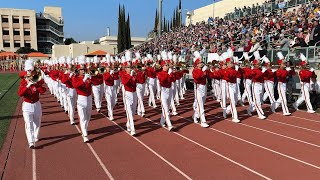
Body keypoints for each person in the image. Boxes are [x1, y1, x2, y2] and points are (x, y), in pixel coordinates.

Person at [18, 59, 46, 148]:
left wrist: (36, 84)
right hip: (27, 106)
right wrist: (28, 85)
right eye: (28, 71)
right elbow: (20, 93)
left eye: (31, 70)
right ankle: (31, 142)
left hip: (37, 104)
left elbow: (43, 90)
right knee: (28, 124)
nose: (30, 73)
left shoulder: (36, 80)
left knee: (37, 123)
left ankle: (35, 137)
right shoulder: (23, 82)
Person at [72, 56, 93, 143]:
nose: (83, 71)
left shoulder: (88, 77)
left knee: (88, 116)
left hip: (89, 98)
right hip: (81, 99)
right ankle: (85, 134)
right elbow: (76, 86)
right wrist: (84, 80)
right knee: (83, 117)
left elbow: (95, 84)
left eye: (84, 69)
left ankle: (85, 129)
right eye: (81, 70)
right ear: (78, 70)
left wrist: (91, 78)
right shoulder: (75, 78)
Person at [121, 51, 138, 136]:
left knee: (134, 111)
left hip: (134, 93)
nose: (130, 68)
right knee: (129, 112)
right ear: (125, 68)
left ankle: (128, 124)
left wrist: (138, 74)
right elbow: (125, 82)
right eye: (128, 67)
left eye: (130, 67)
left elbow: (139, 81)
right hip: (128, 94)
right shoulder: (124, 75)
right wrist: (131, 76)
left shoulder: (133, 74)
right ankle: (132, 129)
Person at [192, 51, 210, 128]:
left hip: (204, 87)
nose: (202, 63)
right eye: (200, 62)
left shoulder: (204, 69)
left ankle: (195, 115)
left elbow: (210, 76)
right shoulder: (195, 70)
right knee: (201, 106)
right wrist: (203, 72)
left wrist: (210, 70)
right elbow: (197, 78)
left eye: (202, 62)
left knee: (202, 103)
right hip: (198, 87)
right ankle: (203, 121)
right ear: (197, 64)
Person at [157, 51, 174, 131]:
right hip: (163, 91)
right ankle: (169, 124)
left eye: (168, 65)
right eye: (166, 65)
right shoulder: (160, 73)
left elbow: (173, 79)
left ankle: (161, 121)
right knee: (166, 109)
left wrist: (173, 73)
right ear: (162, 66)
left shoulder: (169, 72)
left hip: (169, 90)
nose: (168, 66)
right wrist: (168, 74)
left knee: (166, 108)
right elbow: (162, 80)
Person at [247, 52, 266, 120]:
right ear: (255, 65)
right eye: (258, 64)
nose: (259, 65)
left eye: (259, 63)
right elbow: (256, 77)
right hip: (256, 85)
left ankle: (249, 109)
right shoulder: (254, 70)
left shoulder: (260, 69)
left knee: (259, 101)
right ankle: (260, 114)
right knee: (257, 101)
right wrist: (262, 72)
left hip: (261, 85)